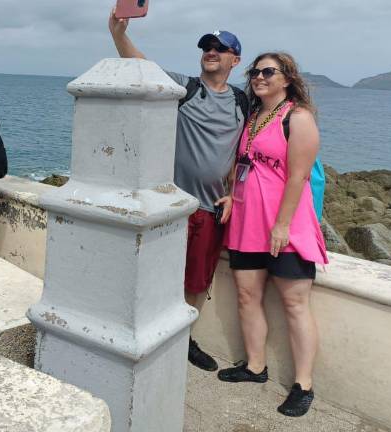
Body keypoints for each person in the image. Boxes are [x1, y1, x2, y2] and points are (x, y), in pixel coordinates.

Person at [109, 10, 246, 371]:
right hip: (173, 205)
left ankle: (183, 338)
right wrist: (117, 33)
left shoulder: (242, 102)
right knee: (155, 276)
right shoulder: (185, 88)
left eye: (220, 48)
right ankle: (149, 336)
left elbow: (242, 153)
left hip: (211, 208)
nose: (212, 51)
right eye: (207, 47)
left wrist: (234, 193)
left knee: (197, 282)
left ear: (236, 59)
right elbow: (141, 65)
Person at [219, 52, 328, 417]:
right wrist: (232, 195)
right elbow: (243, 164)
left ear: (286, 78)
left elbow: (297, 177)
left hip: (286, 227)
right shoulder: (253, 116)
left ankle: (304, 385)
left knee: (295, 305)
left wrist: (281, 225)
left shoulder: (298, 118)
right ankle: (254, 367)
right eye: (255, 71)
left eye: (268, 71)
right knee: (247, 295)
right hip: (248, 222)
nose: (259, 77)